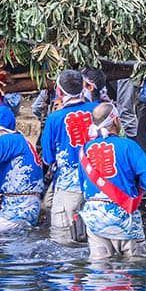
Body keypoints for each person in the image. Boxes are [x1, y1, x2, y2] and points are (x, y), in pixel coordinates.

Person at [77, 101, 146, 261]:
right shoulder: (128, 145)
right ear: (115, 121)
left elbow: (82, 185)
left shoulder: (85, 150)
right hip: (124, 215)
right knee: (135, 265)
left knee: (100, 269)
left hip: (95, 217)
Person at [39, 70, 99, 243]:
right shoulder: (98, 109)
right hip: (99, 186)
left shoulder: (55, 118)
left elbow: (48, 158)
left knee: (64, 243)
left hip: (68, 187)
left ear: (58, 91)